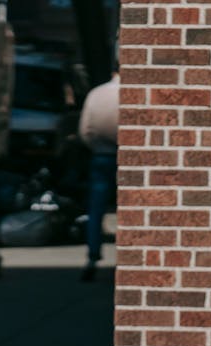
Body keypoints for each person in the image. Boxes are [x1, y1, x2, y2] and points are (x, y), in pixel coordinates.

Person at [77, 71, 119, 282]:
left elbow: (85, 129)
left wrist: (95, 146)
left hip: (101, 155)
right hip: (127, 157)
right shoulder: (132, 93)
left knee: (96, 209)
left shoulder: (97, 93)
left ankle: (93, 256)